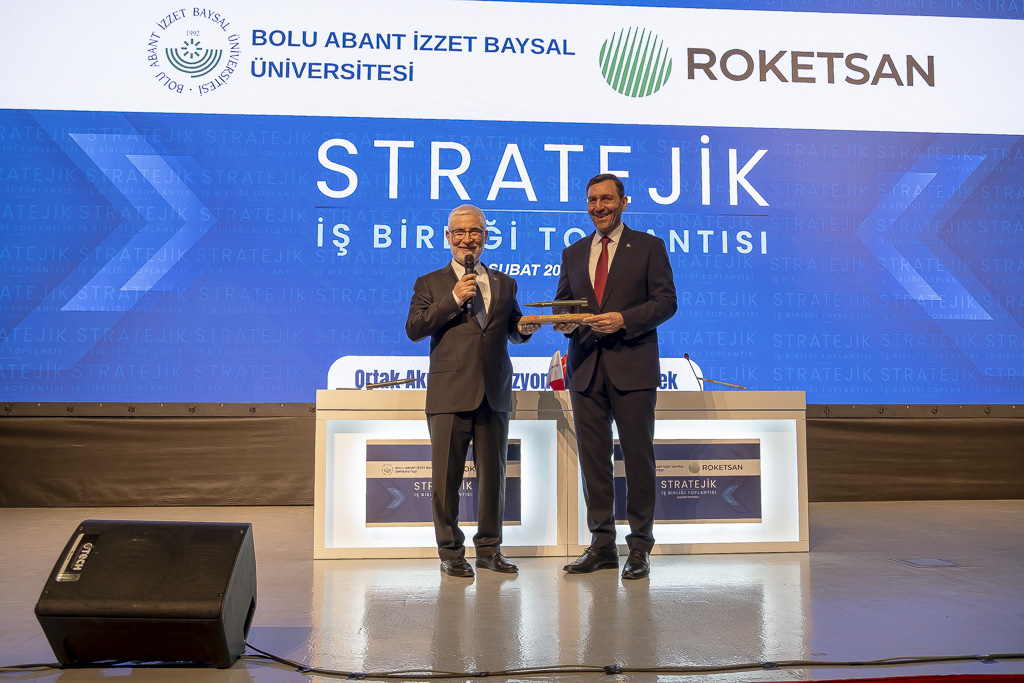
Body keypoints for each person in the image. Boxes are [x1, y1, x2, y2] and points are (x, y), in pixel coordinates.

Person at [553, 173, 677, 580]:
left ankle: (639, 546)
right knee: (593, 462)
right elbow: (564, 305)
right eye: (592, 200)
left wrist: (624, 319)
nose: (599, 207)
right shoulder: (573, 252)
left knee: (638, 459)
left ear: (624, 202)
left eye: (606, 199)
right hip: (585, 369)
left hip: (633, 367)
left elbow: (666, 301)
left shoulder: (649, 247)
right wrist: (563, 322)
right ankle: (602, 545)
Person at [406, 204, 540, 578]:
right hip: (449, 393)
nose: (468, 239)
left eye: (475, 232)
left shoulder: (505, 283)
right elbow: (414, 328)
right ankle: (450, 551)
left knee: (494, 479)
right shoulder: (429, 283)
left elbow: (512, 329)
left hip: (494, 392)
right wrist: (452, 299)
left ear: (485, 236)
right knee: (445, 480)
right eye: (460, 232)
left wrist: (525, 329)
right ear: (448, 237)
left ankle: (489, 550)